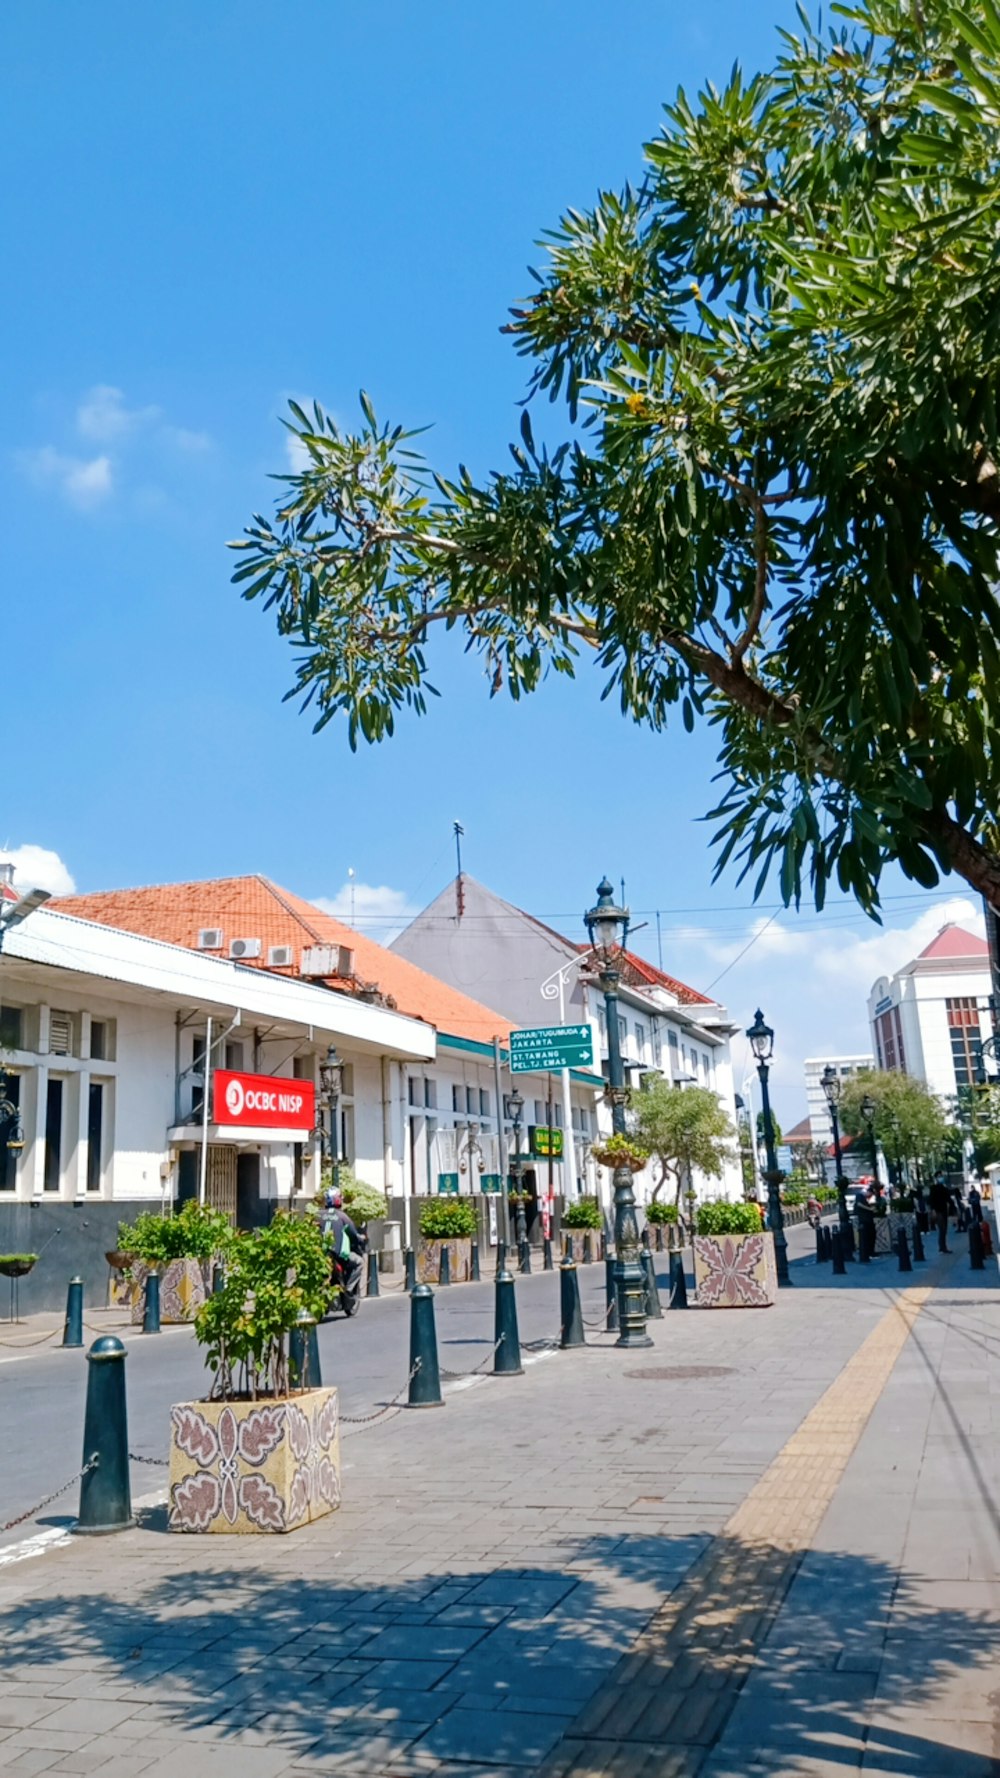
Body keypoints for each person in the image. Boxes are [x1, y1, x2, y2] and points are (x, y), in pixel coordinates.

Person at [321, 1188, 367, 1291]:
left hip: (320, 1255)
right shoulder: (343, 1216)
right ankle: (348, 1289)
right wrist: (361, 1239)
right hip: (338, 1255)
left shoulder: (318, 1215)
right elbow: (354, 1235)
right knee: (359, 1263)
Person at [928, 1175, 951, 1254]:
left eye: (941, 1176)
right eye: (939, 1177)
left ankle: (943, 1246)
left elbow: (948, 1199)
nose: (941, 1178)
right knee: (942, 1228)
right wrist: (933, 1210)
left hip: (944, 1210)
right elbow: (931, 1200)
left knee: (944, 1229)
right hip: (938, 1211)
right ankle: (942, 1247)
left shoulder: (944, 1188)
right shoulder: (933, 1188)